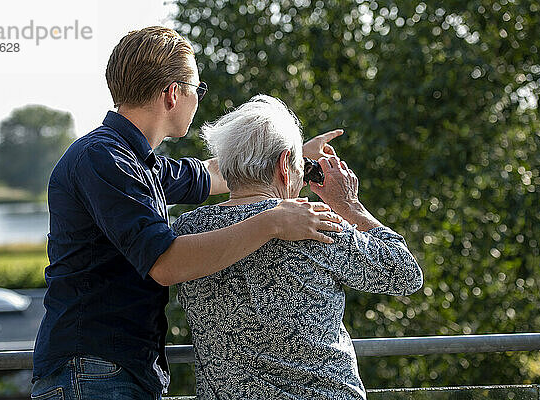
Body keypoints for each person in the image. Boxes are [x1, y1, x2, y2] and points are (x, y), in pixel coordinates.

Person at [31, 27, 345, 400]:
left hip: (115, 369)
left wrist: (289, 156)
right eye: (198, 88)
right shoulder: (104, 159)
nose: (198, 98)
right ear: (173, 93)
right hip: (92, 370)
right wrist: (274, 221)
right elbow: (165, 263)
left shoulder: (138, 163)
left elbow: (221, 172)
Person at [172, 95, 423, 400]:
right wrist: (348, 205)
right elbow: (405, 273)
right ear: (284, 166)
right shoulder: (310, 222)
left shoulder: (188, 230)